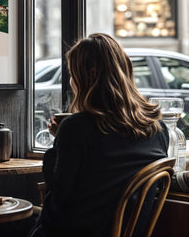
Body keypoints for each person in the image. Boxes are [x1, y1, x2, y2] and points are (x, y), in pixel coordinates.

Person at [29, 33, 169, 237]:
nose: (71, 81)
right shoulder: (158, 129)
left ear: (89, 75)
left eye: (73, 74)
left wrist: (57, 142)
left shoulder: (76, 128)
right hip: (126, 232)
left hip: (74, 231)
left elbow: (58, 194)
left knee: (12, 218)